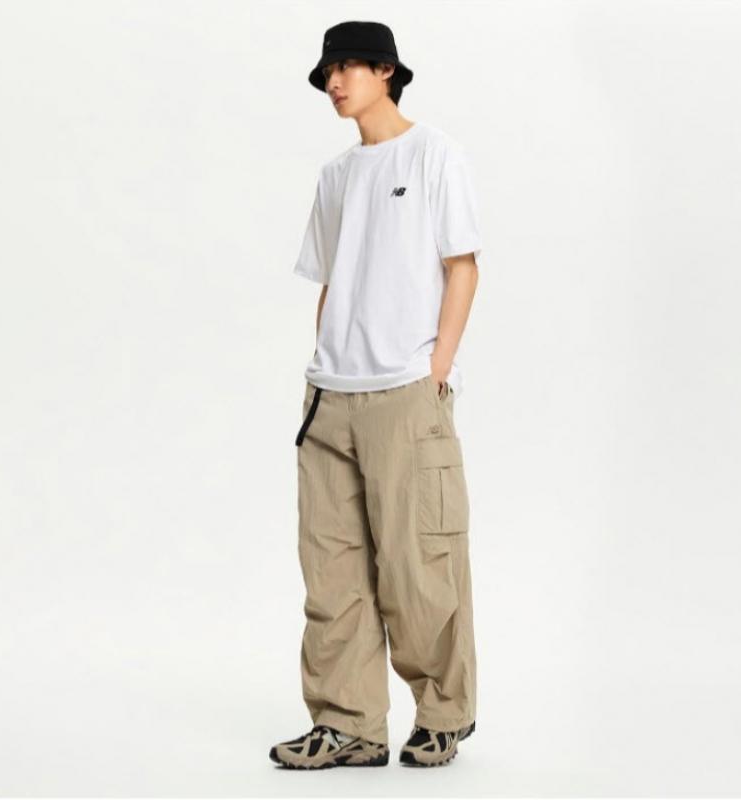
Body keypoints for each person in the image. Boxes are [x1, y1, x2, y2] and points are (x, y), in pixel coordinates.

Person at [269, 20, 482, 770]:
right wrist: (323, 360)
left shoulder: (433, 154)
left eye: (347, 67)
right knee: (332, 573)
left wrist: (436, 370)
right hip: (330, 398)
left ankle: (443, 714)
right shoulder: (335, 176)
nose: (333, 82)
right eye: (327, 73)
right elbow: (332, 280)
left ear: (386, 70)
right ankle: (349, 724)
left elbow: (462, 265)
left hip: (405, 392)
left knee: (420, 567)